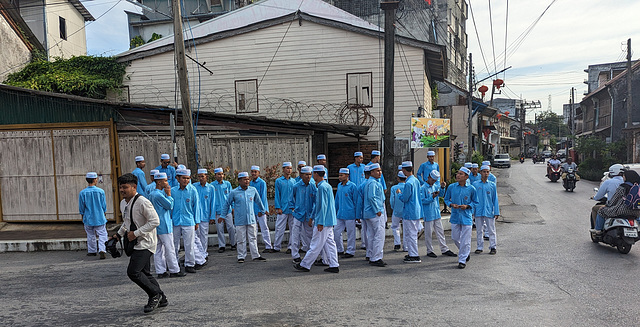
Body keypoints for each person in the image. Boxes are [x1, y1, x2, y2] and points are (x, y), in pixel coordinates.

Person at [110, 173, 166, 313]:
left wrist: (135, 233)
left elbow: (155, 221)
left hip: (146, 243)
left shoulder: (143, 202)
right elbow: (127, 222)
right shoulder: (124, 203)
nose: (122, 190)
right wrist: (118, 235)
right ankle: (162, 298)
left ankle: (155, 294)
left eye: (125, 187)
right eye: (120, 187)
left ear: (134, 187)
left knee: (133, 272)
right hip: (135, 243)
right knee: (145, 273)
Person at [294, 165, 340, 273]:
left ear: (315, 174)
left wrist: (320, 222)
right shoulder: (326, 186)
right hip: (329, 221)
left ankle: (305, 264)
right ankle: (334, 264)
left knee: (315, 244)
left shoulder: (322, 187)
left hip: (323, 221)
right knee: (330, 244)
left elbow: (322, 206)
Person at [222, 172, 267, 263]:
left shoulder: (253, 190)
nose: (247, 181)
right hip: (240, 220)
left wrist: (263, 210)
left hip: (251, 219)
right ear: (239, 181)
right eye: (244, 179)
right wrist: (223, 215)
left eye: (248, 179)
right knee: (240, 239)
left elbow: (258, 201)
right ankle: (241, 256)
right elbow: (227, 204)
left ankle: (255, 255)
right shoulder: (234, 192)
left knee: (253, 238)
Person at [147, 172, 184, 278]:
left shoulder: (151, 194)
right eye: (165, 181)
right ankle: (174, 269)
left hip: (155, 225)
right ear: (159, 182)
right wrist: (169, 195)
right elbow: (169, 205)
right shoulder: (158, 194)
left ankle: (161, 271)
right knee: (169, 248)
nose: (167, 183)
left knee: (158, 249)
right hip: (164, 224)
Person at [172, 169, 206, 273]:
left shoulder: (193, 190)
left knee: (189, 244)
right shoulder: (173, 191)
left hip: (189, 221)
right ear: (178, 178)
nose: (185, 180)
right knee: (174, 244)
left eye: (187, 178)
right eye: (183, 178)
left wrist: (197, 222)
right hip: (175, 221)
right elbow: (170, 207)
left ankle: (190, 264)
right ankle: (174, 263)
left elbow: (196, 207)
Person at [443, 167, 478, 269]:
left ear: (466, 177)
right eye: (457, 173)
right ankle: (465, 252)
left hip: (466, 217)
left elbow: (476, 202)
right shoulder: (452, 187)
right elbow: (446, 199)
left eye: (461, 174)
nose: (458, 175)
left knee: (466, 240)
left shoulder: (471, 189)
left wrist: (467, 206)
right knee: (455, 237)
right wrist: (451, 204)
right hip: (455, 216)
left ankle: (462, 260)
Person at [420, 170, 456, 258]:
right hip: (428, 214)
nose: (433, 182)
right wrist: (431, 197)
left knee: (440, 232)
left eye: (435, 181)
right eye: (432, 180)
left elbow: (441, 195)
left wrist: (443, 188)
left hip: (436, 213)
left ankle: (444, 249)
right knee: (428, 233)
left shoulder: (435, 186)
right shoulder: (423, 188)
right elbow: (422, 201)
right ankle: (429, 250)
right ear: (428, 177)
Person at [288, 166, 317, 263]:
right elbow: (291, 198)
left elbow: (315, 201)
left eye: (309, 174)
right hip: (298, 214)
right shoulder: (296, 186)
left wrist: (313, 213)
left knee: (309, 234)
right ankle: (295, 255)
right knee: (295, 234)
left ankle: (310, 254)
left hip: (308, 214)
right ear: (301, 175)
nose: (308, 176)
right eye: (306, 174)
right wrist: (293, 208)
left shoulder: (313, 186)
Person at [397, 161, 423, 263]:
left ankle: (414, 255)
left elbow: (405, 198)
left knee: (410, 234)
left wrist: (399, 194)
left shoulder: (408, 183)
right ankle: (412, 253)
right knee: (411, 233)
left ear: (404, 170)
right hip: (415, 210)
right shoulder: (415, 180)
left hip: (409, 211)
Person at [79, 172, 108, 259]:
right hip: (99, 217)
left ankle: (92, 251)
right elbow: (104, 205)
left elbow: (81, 207)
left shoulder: (82, 193)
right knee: (102, 234)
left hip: (88, 217)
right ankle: (102, 249)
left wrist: (82, 216)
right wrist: (104, 213)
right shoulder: (101, 192)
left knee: (90, 234)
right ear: (95, 180)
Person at [473, 166, 500, 255]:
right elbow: (472, 198)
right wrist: (472, 211)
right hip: (478, 210)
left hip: (489, 211)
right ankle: (479, 247)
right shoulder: (475, 184)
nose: (486, 174)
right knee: (479, 230)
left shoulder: (492, 185)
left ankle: (493, 247)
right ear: (480, 172)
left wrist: (496, 212)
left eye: (487, 172)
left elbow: (495, 199)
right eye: (484, 172)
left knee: (491, 230)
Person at [591, 164, 625, 229]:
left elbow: (599, 195)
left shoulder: (608, 182)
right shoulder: (627, 182)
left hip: (613, 207)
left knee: (597, 209)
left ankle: (598, 229)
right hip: (627, 207)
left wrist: (594, 197)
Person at [250, 166, 274, 253]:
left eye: (255, 172)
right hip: (253, 209)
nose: (253, 173)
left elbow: (263, 197)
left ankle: (268, 246)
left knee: (264, 228)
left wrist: (261, 210)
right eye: (252, 172)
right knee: (253, 229)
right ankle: (254, 247)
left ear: (258, 173)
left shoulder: (262, 183)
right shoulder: (250, 183)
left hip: (260, 210)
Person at [212, 167, 236, 253]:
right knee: (220, 229)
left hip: (228, 210)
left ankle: (233, 244)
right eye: (219, 174)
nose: (221, 176)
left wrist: (232, 207)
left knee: (231, 227)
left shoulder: (227, 184)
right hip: (218, 211)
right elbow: (212, 200)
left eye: (222, 174)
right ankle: (222, 246)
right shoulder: (212, 186)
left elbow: (231, 196)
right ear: (215, 175)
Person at [335, 168, 357, 258]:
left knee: (351, 233)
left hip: (350, 214)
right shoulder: (339, 186)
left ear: (347, 175)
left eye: (342, 175)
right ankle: (339, 249)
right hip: (340, 213)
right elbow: (337, 200)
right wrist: (335, 211)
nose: (340, 177)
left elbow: (356, 200)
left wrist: (357, 214)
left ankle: (350, 251)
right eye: (339, 175)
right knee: (336, 231)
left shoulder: (352, 186)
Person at [193, 168, 215, 260]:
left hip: (205, 215)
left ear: (206, 177)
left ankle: (204, 253)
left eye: (202, 176)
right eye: (199, 177)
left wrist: (212, 216)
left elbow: (212, 203)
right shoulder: (194, 187)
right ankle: (198, 254)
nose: (201, 178)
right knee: (196, 236)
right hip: (196, 216)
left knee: (204, 236)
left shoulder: (211, 188)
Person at [274, 162, 296, 253]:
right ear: (283, 169)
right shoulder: (279, 181)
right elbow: (277, 195)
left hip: (292, 208)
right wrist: (278, 207)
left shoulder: (293, 181)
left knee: (293, 228)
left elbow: (295, 195)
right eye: (287, 168)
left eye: (290, 168)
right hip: (282, 208)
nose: (289, 170)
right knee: (279, 227)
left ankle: (291, 247)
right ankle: (276, 246)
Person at [356, 165, 372, 251]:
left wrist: (358, 215)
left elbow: (359, 202)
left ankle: (367, 248)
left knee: (365, 231)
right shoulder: (375, 183)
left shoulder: (361, 185)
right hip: (374, 213)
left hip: (364, 212)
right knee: (373, 233)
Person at [390, 171, 406, 252]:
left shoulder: (394, 188)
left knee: (395, 227)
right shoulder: (408, 186)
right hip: (406, 210)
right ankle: (406, 246)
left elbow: (392, 200)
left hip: (396, 210)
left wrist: (394, 208)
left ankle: (397, 243)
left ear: (398, 178)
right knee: (406, 228)